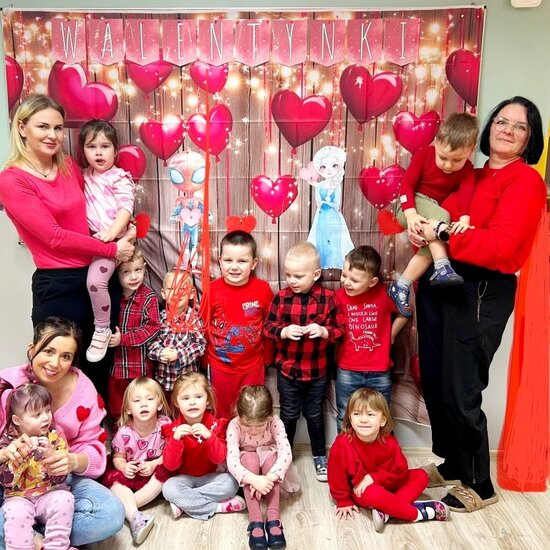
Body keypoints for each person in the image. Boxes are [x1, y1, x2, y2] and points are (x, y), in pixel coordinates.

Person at [411, 97, 546, 512]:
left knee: (461, 387)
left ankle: (479, 483)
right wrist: (421, 229)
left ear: (530, 139)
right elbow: (442, 215)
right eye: (501, 121)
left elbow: (503, 248)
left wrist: (442, 233)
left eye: (519, 126)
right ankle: (453, 463)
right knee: (435, 380)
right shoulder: (473, 172)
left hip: (481, 289)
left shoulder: (526, 182)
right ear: (487, 128)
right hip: (441, 282)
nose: (507, 130)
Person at [0, 95, 134, 392]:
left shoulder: (69, 166)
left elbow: (97, 211)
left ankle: (97, 421)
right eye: (43, 126)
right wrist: (113, 249)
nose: (53, 135)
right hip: (59, 285)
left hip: (98, 277)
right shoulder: (12, 180)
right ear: (22, 128)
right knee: (58, 371)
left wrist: (126, 228)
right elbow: (54, 236)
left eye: (58, 128)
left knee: (99, 366)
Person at [0, 317, 125, 548]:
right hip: (10, 485)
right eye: (48, 351)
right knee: (13, 511)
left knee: (111, 514)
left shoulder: (84, 390)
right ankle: (34, 536)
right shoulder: (7, 385)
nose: (55, 363)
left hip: (58, 485)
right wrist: (5, 454)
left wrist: (73, 460)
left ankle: (29, 535)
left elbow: (94, 447)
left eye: (66, 356)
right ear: (32, 349)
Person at [263, 242, 345, 482]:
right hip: (288, 371)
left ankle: (319, 455)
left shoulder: (329, 299)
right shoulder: (281, 298)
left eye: (298, 276)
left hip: (317, 371)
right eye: (288, 274)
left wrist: (324, 331)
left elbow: (341, 329)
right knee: (288, 415)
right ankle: (284, 456)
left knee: (314, 415)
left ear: (316, 274)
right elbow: (267, 327)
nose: (292, 280)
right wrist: (284, 331)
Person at [388, 113, 478, 317]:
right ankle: (443, 267)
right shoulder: (424, 155)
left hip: (431, 215)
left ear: (471, 150)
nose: (448, 165)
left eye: (457, 160)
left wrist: (465, 219)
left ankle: (401, 285)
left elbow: (466, 194)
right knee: (443, 216)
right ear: (436, 142)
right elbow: (406, 186)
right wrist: (411, 214)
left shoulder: (468, 170)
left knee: (429, 249)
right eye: (443, 157)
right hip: (410, 206)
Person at [327, 388, 449, 532]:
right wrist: (343, 500)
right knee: (375, 494)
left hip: (387, 483)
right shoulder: (343, 443)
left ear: (383, 420)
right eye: (357, 414)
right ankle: (417, 513)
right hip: (362, 489)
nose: (363, 419)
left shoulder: (389, 442)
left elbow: (400, 471)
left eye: (370, 414)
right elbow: (336, 475)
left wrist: (374, 477)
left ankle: (386, 512)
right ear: (350, 418)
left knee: (421, 476)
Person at [79, 119, 136, 363]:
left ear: (115, 150)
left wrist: (112, 234)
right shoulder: (83, 176)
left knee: (95, 282)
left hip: (111, 242)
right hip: (90, 242)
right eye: (91, 147)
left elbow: (126, 208)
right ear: (83, 150)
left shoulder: (119, 178)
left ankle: (102, 329)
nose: (99, 152)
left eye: (105, 146)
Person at [335, 246, 408, 432]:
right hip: (348, 369)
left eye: (354, 280)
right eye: (344, 275)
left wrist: (391, 335)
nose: (346, 282)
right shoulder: (339, 297)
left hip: (379, 371)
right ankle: (344, 450)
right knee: (344, 414)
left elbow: (405, 313)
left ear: (372, 281)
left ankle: (382, 450)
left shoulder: (385, 294)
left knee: (382, 416)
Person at [205, 230, 274, 419]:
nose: (234, 267)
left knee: (251, 413)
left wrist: (268, 357)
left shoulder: (263, 290)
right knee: (222, 414)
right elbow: (204, 326)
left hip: (253, 367)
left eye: (242, 261)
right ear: (220, 261)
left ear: (254, 263)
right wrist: (204, 361)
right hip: (219, 367)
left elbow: (269, 327)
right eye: (228, 260)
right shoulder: (211, 290)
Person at [0, 384, 75, 550]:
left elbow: (61, 477)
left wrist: (50, 457)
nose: (46, 418)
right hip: (18, 497)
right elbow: (5, 482)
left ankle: (56, 546)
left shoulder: (55, 437)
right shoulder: (8, 442)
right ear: (17, 420)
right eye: (37, 414)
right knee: (16, 512)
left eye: (47, 410)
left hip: (48, 494)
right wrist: (19, 459)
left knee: (64, 498)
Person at [161, 372, 245, 520]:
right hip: (184, 479)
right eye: (185, 398)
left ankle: (185, 504)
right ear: (176, 402)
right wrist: (175, 440)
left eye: (198, 397)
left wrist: (209, 437)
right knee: (168, 488)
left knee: (231, 483)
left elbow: (220, 458)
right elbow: (170, 466)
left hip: (212, 477)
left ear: (207, 400)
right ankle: (218, 507)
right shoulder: (173, 429)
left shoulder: (216, 425)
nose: (192, 402)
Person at [226, 385, 300, 550]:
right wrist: (254, 480)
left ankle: (273, 516)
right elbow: (232, 460)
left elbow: (286, 453)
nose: (253, 430)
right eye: (247, 425)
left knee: (271, 459)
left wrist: (269, 478)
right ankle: (255, 519)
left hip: (269, 468)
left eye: (259, 426)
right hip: (247, 466)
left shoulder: (275, 422)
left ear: (269, 416)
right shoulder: (234, 425)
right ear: (238, 414)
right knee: (250, 459)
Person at [102, 377, 171, 545]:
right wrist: (124, 467)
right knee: (114, 479)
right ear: (128, 409)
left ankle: (125, 508)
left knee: (166, 473)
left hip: (154, 471)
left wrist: (154, 464)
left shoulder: (166, 425)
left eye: (149, 399)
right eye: (137, 401)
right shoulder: (124, 432)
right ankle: (136, 517)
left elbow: (170, 454)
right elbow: (118, 457)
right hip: (132, 474)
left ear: (159, 404)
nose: (143, 404)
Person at [107, 247, 161, 420]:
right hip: (117, 367)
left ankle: (145, 432)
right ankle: (121, 433)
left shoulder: (149, 298)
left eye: (138, 270)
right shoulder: (111, 296)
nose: (133, 277)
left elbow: (153, 328)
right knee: (117, 406)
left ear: (144, 268)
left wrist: (123, 339)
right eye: (126, 272)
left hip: (140, 366)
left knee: (145, 403)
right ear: (116, 273)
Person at [148, 268, 206, 402]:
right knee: (166, 411)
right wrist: (160, 352)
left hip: (188, 386)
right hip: (163, 383)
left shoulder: (193, 318)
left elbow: (200, 346)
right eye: (171, 289)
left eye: (182, 289)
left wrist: (178, 355)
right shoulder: (159, 318)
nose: (176, 293)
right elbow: (151, 344)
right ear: (163, 293)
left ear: (191, 293)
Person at [301, 145, 354, 269]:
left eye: (334, 165)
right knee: (321, 236)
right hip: (322, 215)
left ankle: (335, 260)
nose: (329, 170)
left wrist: (327, 203)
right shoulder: (320, 185)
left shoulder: (337, 186)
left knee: (335, 237)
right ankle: (322, 261)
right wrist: (323, 203)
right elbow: (318, 201)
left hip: (333, 215)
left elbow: (337, 204)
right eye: (324, 167)